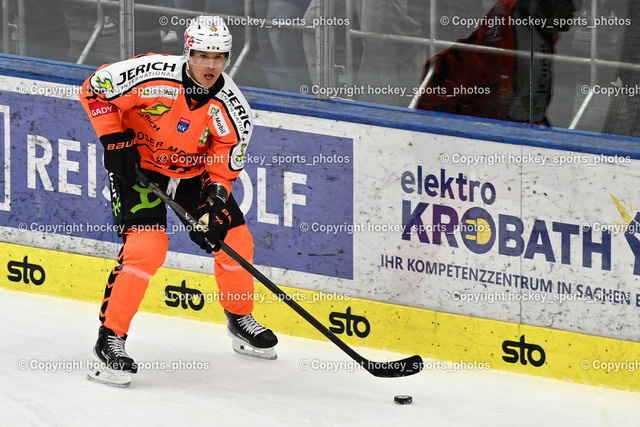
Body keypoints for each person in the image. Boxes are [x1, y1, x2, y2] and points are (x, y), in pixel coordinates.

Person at [79, 15, 277, 387]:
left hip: (192, 175)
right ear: (188, 53)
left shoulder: (233, 108)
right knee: (146, 248)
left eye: (219, 57)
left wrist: (215, 206)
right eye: (203, 55)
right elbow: (94, 89)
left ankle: (240, 318)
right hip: (139, 168)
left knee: (235, 239)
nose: (211, 65)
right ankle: (110, 340)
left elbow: (223, 164)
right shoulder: (150, 74)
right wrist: (113, 139)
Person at [415, 0, 582, 125]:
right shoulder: (526, 44)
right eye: (572, 3)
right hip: (449, 107)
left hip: (446, 89)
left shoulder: (517, 9)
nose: (576, 11)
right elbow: (526, 120)